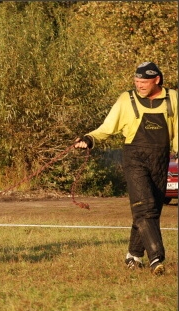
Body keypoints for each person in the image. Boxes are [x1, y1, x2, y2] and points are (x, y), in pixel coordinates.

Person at [74, 62, 178, 276]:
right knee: (145, 207)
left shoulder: (173, 98)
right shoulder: (126, 99)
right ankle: (156, 258)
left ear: (157, 80)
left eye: (144, 81)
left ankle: (133, 255)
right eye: (136, 81)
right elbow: (107, 127)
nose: (139, 85)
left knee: (151, 210)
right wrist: (90, 138)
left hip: (161, 159)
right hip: (134, 158)